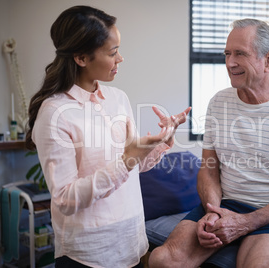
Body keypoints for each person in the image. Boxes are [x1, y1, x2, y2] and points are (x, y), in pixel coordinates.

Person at [25, 5, 190, 268]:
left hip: (132, 244)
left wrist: (161, 142)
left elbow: (132, 168)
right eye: (113, 52)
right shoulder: (55, 113)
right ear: (81, 58)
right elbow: (66, 199)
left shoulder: (118, 99)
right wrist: (126, 160)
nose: (120, 58)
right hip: (89, 255)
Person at [149, 18, 269, 268]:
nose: (230, 63)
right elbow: (209, 169)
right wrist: (212, 210)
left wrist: (244, 223)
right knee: (162, 260)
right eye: (227, 53)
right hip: (225, 204)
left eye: (240, 54)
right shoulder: (218, 103)